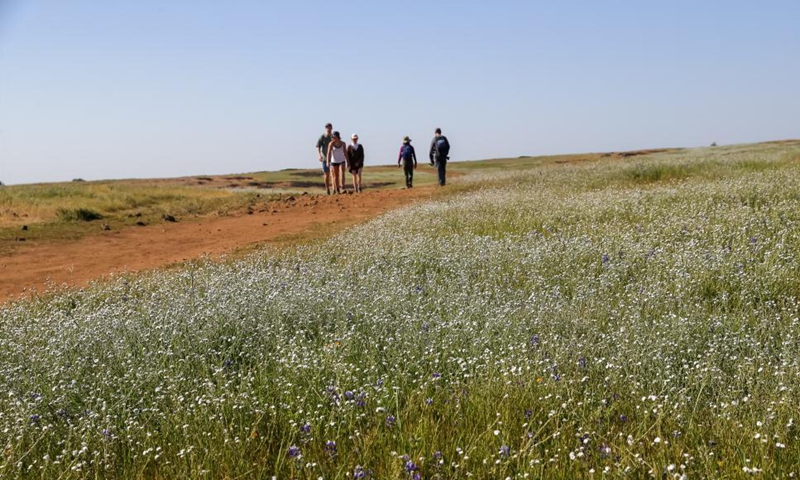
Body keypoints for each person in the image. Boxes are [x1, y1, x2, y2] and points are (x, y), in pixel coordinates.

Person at [316, 123, 334, 194]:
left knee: (333, 174)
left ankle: (334, 188)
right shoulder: (322, 137)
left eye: (329, 127)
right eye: (327, 128)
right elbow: (318, 146)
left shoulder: (333, 136)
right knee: (326, 174)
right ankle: (327, 188)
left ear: (331, 128)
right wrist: (319, 155)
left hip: (333, 158)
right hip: (325, 158)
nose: (328, 129)